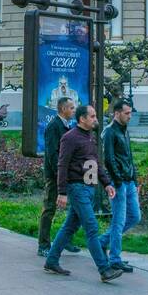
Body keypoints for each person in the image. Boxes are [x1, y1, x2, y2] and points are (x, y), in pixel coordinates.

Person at [43, 105, 122, 283]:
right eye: (92, 116)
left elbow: (95, 163)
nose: (96, 119)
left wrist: (107, 183)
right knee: (92, 228)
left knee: (70, 226)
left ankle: (51, 261)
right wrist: (62, 192)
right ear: (82, 119)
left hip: (89, 188)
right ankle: (105, 269)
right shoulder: (69, 138)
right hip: (77, 188)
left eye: (95, 116)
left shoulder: (89, 136)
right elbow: (61, 165)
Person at [38, 96, 83, 258]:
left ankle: (65, 241)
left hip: (67, 174)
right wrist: (60, 175)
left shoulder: (68, 126)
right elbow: (52, 154)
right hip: (55, 175)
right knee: (49, 208)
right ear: (63, 109)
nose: (74, 110)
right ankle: (43, 245)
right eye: (71, 108)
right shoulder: (54, 126)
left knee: (73, 209)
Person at [99, 99, 140, 272]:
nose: (130, 116)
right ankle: (115, 259)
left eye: (130, 113)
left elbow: (128, 157)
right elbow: (109, 159)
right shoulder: (110, 132)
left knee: (135, 217)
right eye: (127, 113)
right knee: (118, 221)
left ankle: (101, 242)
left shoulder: (124, 130)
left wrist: (135, 180)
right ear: (117, 113)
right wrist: (117, 182)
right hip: (119, 183)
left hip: (129, 181)